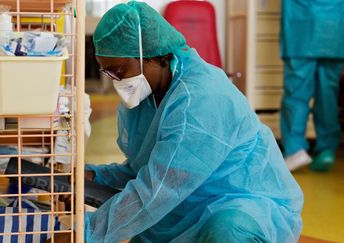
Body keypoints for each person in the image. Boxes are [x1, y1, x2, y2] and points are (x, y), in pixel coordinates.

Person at [84, 2, 303, 242]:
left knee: (228, 232)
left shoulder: (198, 99)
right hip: (186, 204)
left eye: (120, 71)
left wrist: (88, 231)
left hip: (237, 204)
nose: (117, 81)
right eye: (108, 73)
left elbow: (159, 186)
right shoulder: (148, 98)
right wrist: (97, 176)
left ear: (151, 55)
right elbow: (151, 168)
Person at [280, 0, 344, 172]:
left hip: (301, 30)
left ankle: (295, 150)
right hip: (334, 30)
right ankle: (327, 149)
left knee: (296, 94)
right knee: (328, 94)